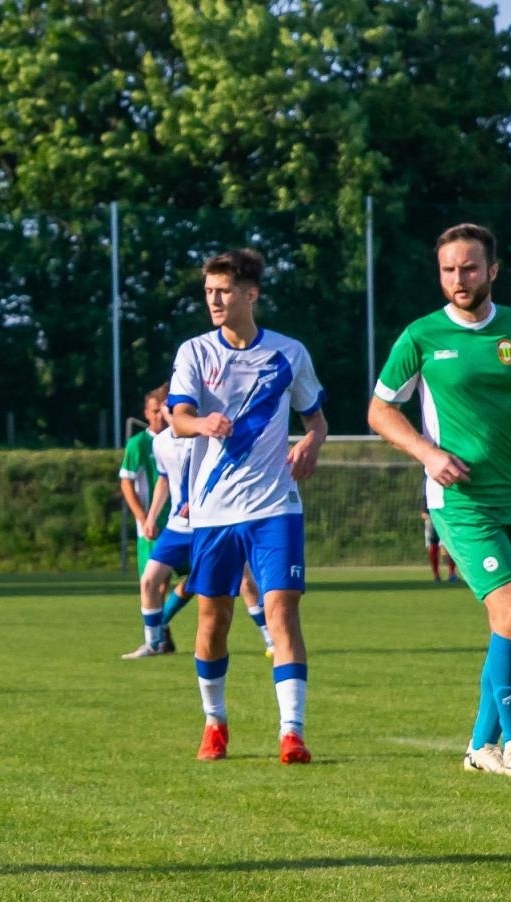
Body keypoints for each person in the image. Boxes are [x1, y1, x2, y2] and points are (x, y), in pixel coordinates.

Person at [369, 222, 511, 778]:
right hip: (461, 503)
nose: (458, 279)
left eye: (469, 268)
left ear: (492, 270)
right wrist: (427, 454)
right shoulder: (420, 337)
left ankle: (478, 744)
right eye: (448, 270)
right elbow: (380, 411)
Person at [168, 249, 328, 764]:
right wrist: (202, 424)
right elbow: (178, 418)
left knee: (281, 610)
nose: (214, 300)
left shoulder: (288, 353)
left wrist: (310, 443)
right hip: (214, 512)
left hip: (275, 506)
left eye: (224, 291)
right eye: (209, 291)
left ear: (251, 294)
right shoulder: (194, 352)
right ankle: (215, 723)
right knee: (213, 621)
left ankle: (292, 732)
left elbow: (316, 419)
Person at [119, 387, 173, 658]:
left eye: (164, 411)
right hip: (153, 527)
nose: (160, 418)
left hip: (183, 523)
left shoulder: (180, 439)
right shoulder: (139, 444)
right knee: (156, 583)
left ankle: (162, 631)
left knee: (198, 578)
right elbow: (127, 482)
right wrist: (143, 518)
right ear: (146, 413)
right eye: (155, 412)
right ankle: (159, 637)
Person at [423, 499, 459, 583]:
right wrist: (433, 518)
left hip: (445, 523)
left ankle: (452, 574)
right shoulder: (428, 497)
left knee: (449, 548)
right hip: (432, 524)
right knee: (433, 549)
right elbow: (423, 514)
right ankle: (436, 576)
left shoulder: (448, 495)